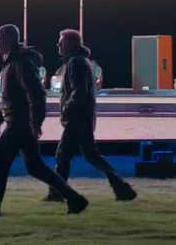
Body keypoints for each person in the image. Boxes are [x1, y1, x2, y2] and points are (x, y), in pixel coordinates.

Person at [0, 24, 87, 216]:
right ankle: (75, 199)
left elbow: (37, 94)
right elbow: (9, 97)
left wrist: (35, 123)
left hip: (20, 124)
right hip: (21, 123)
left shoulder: (20, 63)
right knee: (35, 167)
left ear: (8, 40)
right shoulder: (11, 63)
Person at [44, 29, 137, 203]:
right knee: (88, 155)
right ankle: (121, 188)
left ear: (70, 44)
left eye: (61, 42)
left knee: (65, 155)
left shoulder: (75, 62)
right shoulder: (81, 61)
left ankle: (57, 193)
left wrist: (67, 109)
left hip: (77, 118)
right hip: (82, 117)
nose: (58, 45)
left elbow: (79, 91)